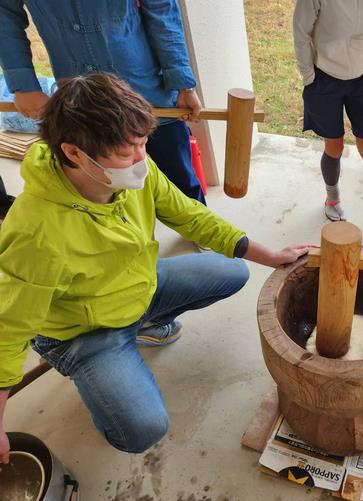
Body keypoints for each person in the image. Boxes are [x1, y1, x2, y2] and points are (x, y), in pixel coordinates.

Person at [0, 74, 309, 462]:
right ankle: (98, 373)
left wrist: (271, 256)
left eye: (143, 143)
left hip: (137, 287)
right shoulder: (35, 231)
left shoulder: (132, 172)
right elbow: (8, 329)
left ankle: (143, 326)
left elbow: (192, 217)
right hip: (84, 332)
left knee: (233, 272)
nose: (141, 159)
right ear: (75, 153)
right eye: (127, 151)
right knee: (142, 430)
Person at [0, 0, 206, 205]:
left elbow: (162, 9)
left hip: (148, 91)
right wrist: (24, 84)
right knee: (103, 191)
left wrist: (183, 83)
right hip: (81, 104)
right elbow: (5, 16)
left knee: (180, 179)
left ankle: (206, 233)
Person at [293, 0, 363, 236]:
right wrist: (308, 76)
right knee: (334, 146)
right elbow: (301, 29)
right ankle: (332, 199)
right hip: (323, 74)